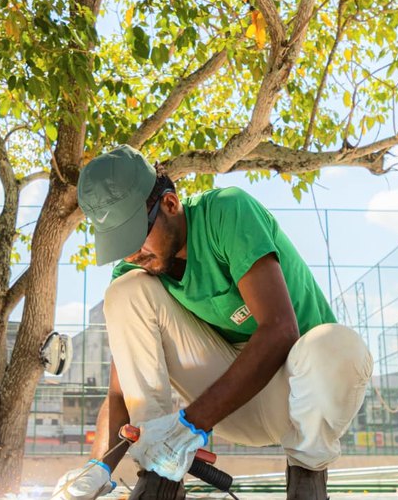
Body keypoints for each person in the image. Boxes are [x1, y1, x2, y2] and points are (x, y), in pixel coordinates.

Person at [52, 145, 373, 500]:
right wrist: (98, 467)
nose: (132, 254)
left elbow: (281, 329)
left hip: (304, 395)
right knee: (123, 292)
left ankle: (307, 482)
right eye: (120, 244)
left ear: (170, 205)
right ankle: (160, 474)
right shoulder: (135, 270)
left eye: (135, 236)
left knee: (338, 344)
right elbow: (120, 390)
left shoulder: (227, 212)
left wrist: (191, 424)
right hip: (232, 404)